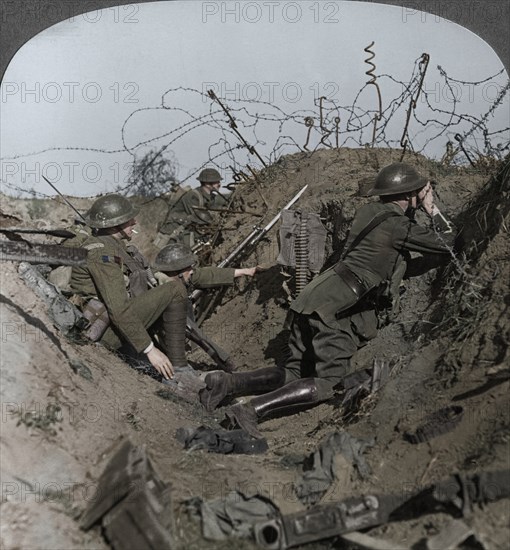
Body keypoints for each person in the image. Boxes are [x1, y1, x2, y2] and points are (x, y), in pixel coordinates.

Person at [199, 162, 457, 437]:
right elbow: (447, 241)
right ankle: (249, 411)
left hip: (312, 297)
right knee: (328, 383)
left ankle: (227, 383)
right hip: (335, 309)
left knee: (295, 371)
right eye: (419, 192)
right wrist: (433, 210)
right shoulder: (397, 225)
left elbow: (385, 265)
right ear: (410, 195)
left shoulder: (370, 213)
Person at [69, 193, 189, 380]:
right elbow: (118, 309)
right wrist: (150, 350)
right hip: (105, 331)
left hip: (114, 324)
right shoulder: (102, 252)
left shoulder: (117, 246)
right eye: (128, 219)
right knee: (174, 290)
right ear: (114, 224)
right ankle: (179, 369)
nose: (134, 222)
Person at [151, 242, 259, 368]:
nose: (192, 271)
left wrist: (247, 271)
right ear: (177, 272)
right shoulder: (157, 290)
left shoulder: (179, 277)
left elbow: (208, 275)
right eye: (188, 268)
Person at [155, 168, 229, 249]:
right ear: (208, 184)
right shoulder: (193, 196)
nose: (219, 184)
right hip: (174, 233)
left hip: (184, 231)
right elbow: (200, 218)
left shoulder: (210, 197)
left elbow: (222, 202)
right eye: (217, 182)